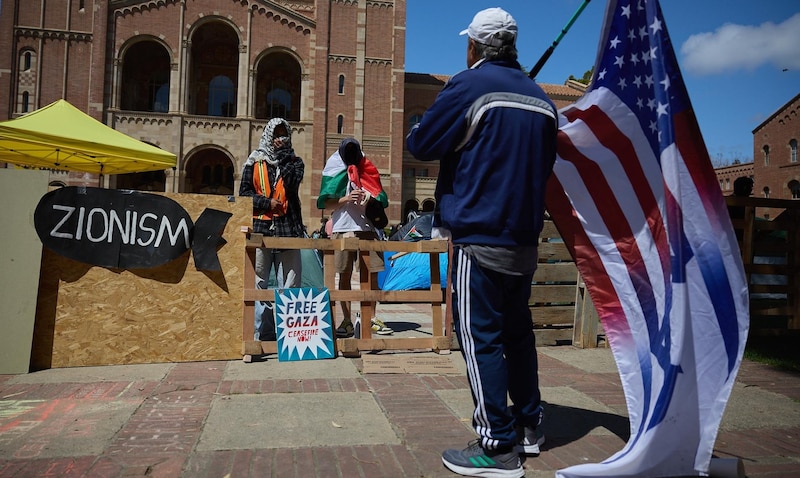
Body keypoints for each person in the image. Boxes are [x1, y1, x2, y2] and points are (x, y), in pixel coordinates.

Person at [406, 7, 558, 478]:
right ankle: (530, 426)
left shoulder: (468, 86)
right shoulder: (542, 100)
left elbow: (421, 143)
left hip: (479, 235)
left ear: (473, 46)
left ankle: (496, 446)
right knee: (518, 334)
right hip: (524, 240)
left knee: (481, 339)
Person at [317, 137, 393, 337]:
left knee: (371, 274)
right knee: (344, 274)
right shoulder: (334, 168)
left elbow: (382, 198)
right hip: (342, 228)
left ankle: (371, 317)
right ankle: (347, 320)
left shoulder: (366, 167)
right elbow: (326, 204)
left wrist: (369, 198)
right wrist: (345, 198)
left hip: (367, 228)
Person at [239, 118, 305, 341]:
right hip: (261, 228)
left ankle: (288, 335)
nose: (280, 139)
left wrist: (285, 155)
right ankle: (261, 333)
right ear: (268, 135)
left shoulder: (295, 162)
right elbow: (244, 194)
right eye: (276, 135)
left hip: (289, 229)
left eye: (284, 135)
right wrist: (267, 203)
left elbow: (292, 183)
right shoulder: (254, 162)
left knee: (290, 281)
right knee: (259, 281)